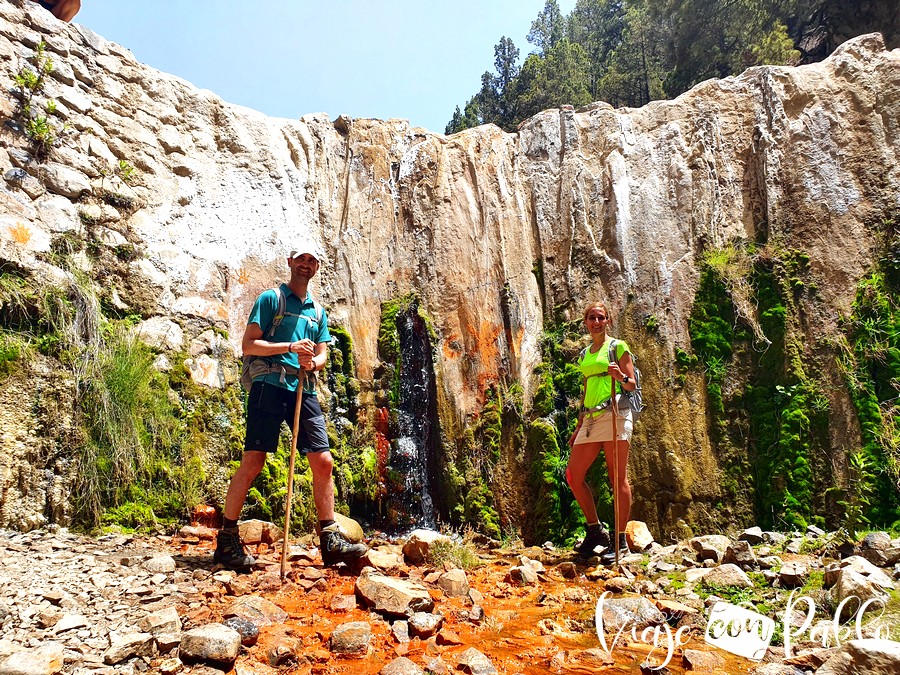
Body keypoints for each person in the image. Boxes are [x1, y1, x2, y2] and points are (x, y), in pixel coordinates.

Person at [214, 244, 368, 570]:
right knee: (254, 461)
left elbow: (323, 354)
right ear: (290, 262)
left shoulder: (318, 311)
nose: (306, 264)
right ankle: (227, 540)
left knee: (323, 461)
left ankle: (329, 539)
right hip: (268, 385)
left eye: (312, 260)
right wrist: (290, 346)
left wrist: (312, 362)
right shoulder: (271, 299)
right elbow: (249, 344)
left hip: (302, 386)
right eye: (301, 259)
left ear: (317, 267)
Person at [566, 302, 638, 563]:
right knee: (573, 475)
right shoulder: (585, 354)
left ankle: (620, 542)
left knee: (617, 478)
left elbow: (631, 385)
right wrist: (578, 427)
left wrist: (619, 376)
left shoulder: (617, 347)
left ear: (608, 320)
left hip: (615, 413)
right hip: (591, 417)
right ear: (585, 322)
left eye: (601, 317)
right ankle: (595, 531)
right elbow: (585, 389)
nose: (596, 322)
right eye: (592, 318)